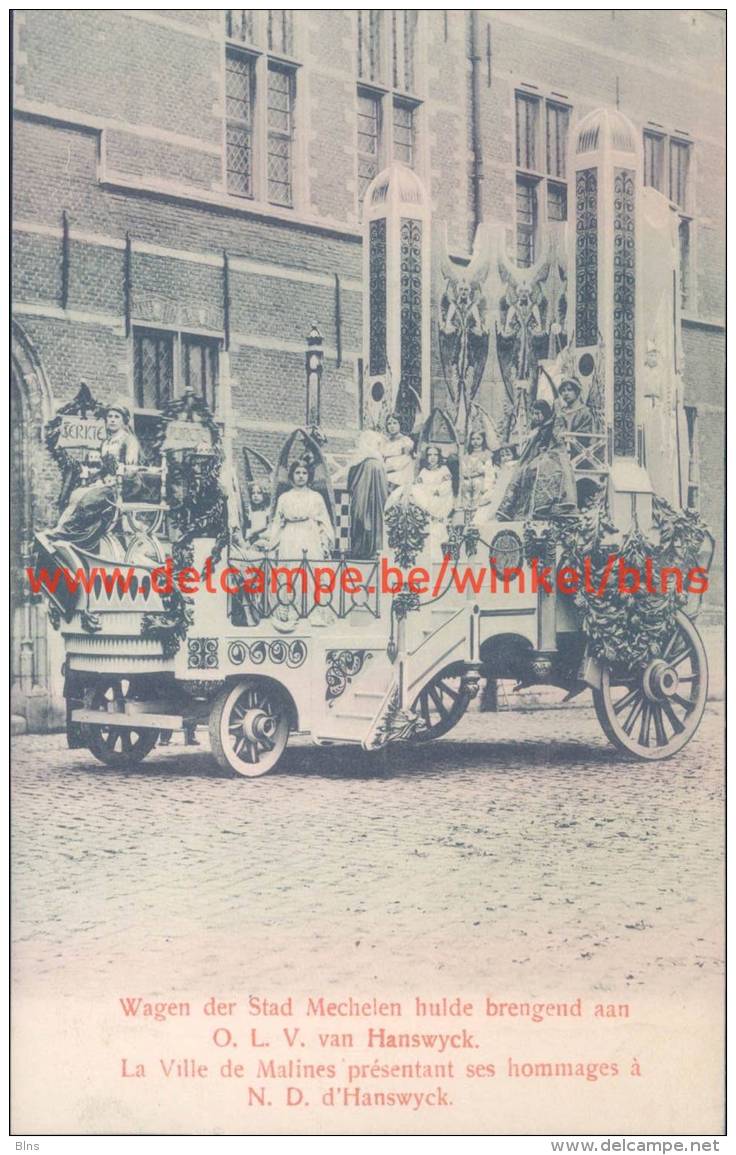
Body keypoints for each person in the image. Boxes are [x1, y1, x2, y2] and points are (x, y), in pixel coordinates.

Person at [46, 405, 142, 548]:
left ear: (124, 421)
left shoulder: (129, 440)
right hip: (109, 483)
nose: (112, 420)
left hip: (126, 485)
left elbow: (131, 470)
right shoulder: (106, 442)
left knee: (90, 499)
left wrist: (115, 480)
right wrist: (98, 479)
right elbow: (104, 468)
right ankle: (64, 529)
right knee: (76, 493)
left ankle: (71, 532)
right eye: (110, 417)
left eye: (117, 417)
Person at [496, 400, 577, 520]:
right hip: (538, 455)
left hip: (554, 455)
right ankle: (514, 510)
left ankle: (545, 505)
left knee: (537, 468)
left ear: (545, 413)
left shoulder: (553, 424)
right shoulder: (538, 429)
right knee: (521, 470)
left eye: (538, 413)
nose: (535, 417)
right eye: (533, 413)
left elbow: (558, 442)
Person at [265, 458, 334, 560]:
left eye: (304, 473)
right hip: (289, 537)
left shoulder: (316, 497)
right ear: (292, 475)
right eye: (297, 473)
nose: (301, 476)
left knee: (309, 567)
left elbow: (324, 522)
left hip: (310, 535)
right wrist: (272, 544)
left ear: (309, 475)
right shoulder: (284, 498)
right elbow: (277, 523)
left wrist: (325, 543)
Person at [346, 431, 388, 559]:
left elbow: (350, 484)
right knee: (367, 517)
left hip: (363, 499)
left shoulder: (363, 462)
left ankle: (363, 548)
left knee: (362, 517)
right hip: (367, 499)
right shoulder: (374, 463)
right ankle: (371, 548)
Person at [410, 445, 455, 559]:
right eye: (430, 455)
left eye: (435, 455)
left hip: (441, 500)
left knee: (436, 524)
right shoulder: (424, 471)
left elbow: (446, 487)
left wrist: (433, 490)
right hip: (427, 500)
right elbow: (419, 487)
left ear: (439, 456)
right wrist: (428, 491)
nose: (432, 458)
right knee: (415, 491)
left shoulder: (444, 470)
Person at [379, 413, 415, 490]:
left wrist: (389, 469)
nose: (392, 426)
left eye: (395, 423)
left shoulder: (405, 441)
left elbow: (406, 459)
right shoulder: (384, 442)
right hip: (385, 470)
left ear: (400, 424)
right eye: (389, 424)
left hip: (400, 472)